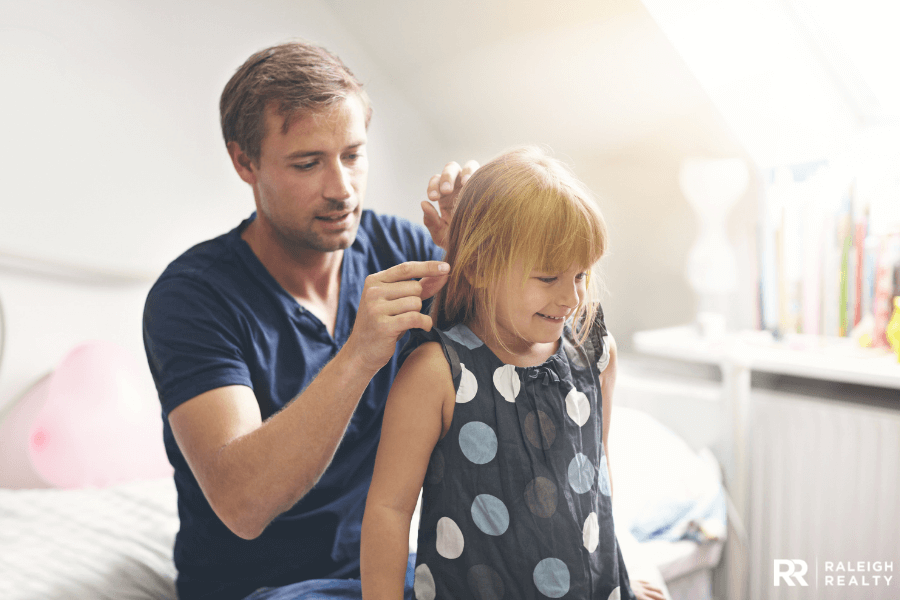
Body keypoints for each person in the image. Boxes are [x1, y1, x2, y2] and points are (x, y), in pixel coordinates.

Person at [142, 40, 477, 600]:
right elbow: (243, 504)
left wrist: (478, 253)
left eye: (352, 154)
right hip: (264, 589)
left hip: (385, 569)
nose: (341, 189)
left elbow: (523, 368)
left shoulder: (404, 251)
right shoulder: (192, 298)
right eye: (307, 163)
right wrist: (360, 353)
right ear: (244, 162)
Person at [361, 146, 666, 600]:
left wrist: (621, 573)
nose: (571, 298)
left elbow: (595, 483)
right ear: (480, 266)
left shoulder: (594, 353)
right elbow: (388, 509)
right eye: (547, 279)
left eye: (580, 275)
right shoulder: (437, 374)